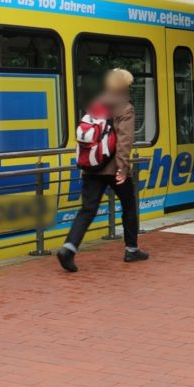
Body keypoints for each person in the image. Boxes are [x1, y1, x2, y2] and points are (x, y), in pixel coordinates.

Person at [57, 68, 149, 272]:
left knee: (87, 209)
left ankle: (68, 248)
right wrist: (123, 169)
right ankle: (131, 249)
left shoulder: (96, 104)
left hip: (91, 167)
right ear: (124, 86)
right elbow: (125, 141)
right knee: (129, 206)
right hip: (114, 168)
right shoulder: (124, 107)